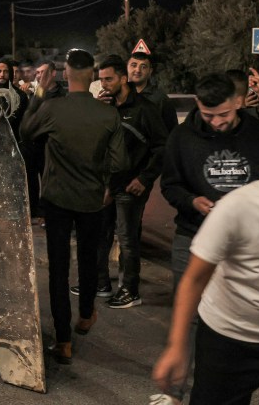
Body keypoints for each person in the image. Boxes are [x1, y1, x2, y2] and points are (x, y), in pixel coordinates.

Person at [156, 72, 259, 404]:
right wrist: (192, 201)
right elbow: (170, 185)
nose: (217, 122)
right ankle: (175, 390)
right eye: (209, 116)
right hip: (193, 236)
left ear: (238, 102)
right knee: (189, 314)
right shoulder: (180, 138)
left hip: (249, 244)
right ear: (197, 104)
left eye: (223, 114)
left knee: (243, 316)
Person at [20, 49, 126, 365]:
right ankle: (85, 314)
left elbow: (26, 131)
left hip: (56, 200)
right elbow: (120, 161)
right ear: (92, 75)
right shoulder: (108, 115)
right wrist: (105, 181)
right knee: (89, 257)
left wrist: (39, 92)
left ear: (66, 74)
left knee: (58, 267)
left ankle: (63, 342)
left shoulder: (53, 108)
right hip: (92, 198)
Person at [83, 55, 167, 309]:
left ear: (123, 78)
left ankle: (130, 290)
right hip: (107, 184)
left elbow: (162, 147)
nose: (104, 84)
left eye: (108, 79)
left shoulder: (145, 109)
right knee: (101, 234)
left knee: (127, 239)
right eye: (101, 80)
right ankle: (101, 284)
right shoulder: (106, 107)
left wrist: (145, 178)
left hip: (131, 186)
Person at [20, 58, 65, 224]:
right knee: (31, 181)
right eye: (37, 72)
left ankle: (47, 213)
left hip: (50, 145)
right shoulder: (36, 92)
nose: (39, 76)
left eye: (43, 72)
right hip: (33, 145)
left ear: (53, 73)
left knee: (49, 181)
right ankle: (33, 213)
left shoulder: (61, 95)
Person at [127, 52, 177, 133]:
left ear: (150, 71)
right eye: (133, 65)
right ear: (126, 68)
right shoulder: (118, 96)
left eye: (143, 67)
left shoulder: (160, 99)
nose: (138, 70)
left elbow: (172, 132)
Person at [0, 57, 29, 139]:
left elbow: (24, 122)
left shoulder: (20, 95)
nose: (2, 75)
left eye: (6, 72)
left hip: (13, 139)